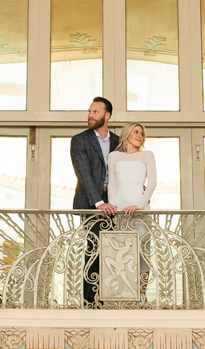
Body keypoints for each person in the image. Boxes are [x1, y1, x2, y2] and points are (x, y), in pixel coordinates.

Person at [70, 96, 119, 307]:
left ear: (107, 116)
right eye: (89, 112)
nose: (90, 115)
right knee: (95, 249)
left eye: (95, 112)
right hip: (90, 203)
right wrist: (99, 203)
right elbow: (84, 175)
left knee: (116, 251)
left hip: (116, 202)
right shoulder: (79, 140)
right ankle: (90, 302)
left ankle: (113, 299)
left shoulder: (118, 141)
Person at [106, 122, 157, 288]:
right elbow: (112, 184)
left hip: (140, 211)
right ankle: (123, 296)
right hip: (119, 212)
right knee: (120, 255)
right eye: (136, 132)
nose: (139, 136)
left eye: (142, 133)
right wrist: (113, 208)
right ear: (127, 133)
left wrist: (139, 205)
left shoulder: (147, 155)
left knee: (142, 254)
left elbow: (152, 183)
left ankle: (141, 296)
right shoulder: (113, 156)